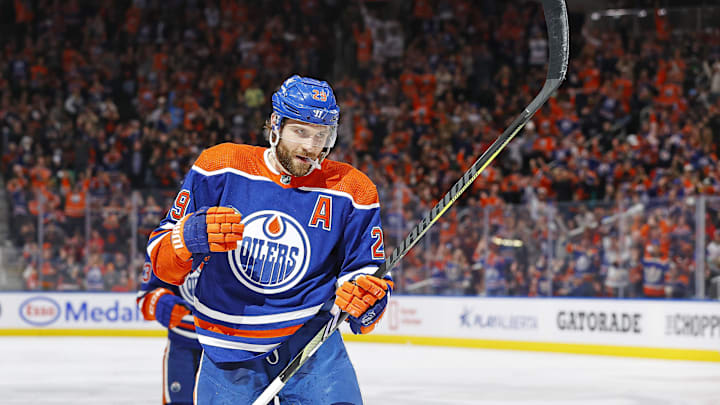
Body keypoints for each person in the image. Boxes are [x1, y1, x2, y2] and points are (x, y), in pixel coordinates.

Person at [145, 75, 392, 404]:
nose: (310, 146)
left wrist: (367, 298)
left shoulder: (353, 189)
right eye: (300, 131)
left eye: (321, 135)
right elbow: (161, 262)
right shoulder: (219, 167)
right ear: (275, 125)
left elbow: (365, 272)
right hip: (227, 344)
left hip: (312, 345)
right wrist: (187, 237)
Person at [137, 261, 202, 405]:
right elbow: (145, 298)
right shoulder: (165, 239)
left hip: (230, 347)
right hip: (182, 345)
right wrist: (161, 302)